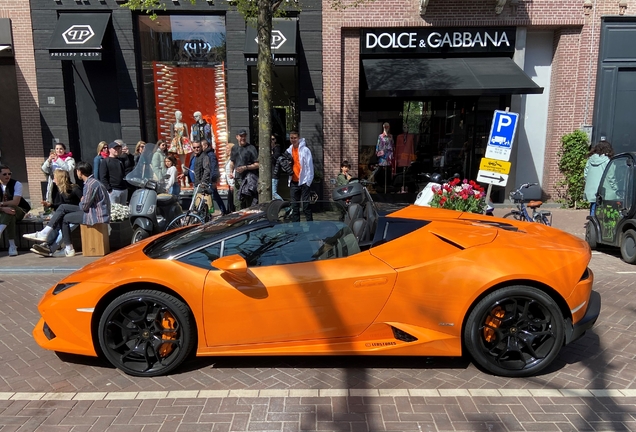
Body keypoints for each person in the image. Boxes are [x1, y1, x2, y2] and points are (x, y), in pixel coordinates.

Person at [32, 161, 110, 257]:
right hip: (93, 212)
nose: (76, 173)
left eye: (77, 171)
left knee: (64, 216)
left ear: (80, 172)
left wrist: (80, 204)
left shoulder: (90, 185)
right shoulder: (93, 182)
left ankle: (66, 247)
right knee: (63, 210)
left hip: (94, 215)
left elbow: (84, 205)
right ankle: (57, 242)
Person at [24, 169, 83, 247]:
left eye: (55, 178)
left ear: (60, 178)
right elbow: (62, 205)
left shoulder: (75, 188)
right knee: (57, 223)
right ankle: (47, 244)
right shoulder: (62, 190)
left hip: (78, 212)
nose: (53, 180)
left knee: (62, 221)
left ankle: (47, 240)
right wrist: (50, 205)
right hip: (68, 213)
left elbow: (84, 202)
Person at [0, 164, 31, 256]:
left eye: (9, 174)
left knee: (12, 209)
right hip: (4, 212)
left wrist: (1, 204)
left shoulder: (17, 184)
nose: (8, 176)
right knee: (10, 215)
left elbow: (15, 202)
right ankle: (12, 246)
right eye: (5, 174)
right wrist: (2, 208)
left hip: (20, 210)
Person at [287, 131, 314, 222]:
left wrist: (308, 182)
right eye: (291, 138)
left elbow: (310, 166)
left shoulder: (305, 150)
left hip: (303, 182)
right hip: (293, 182)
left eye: (295, 138)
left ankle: (310, 227)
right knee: (295, 207)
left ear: (299, 138)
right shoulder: (289, 150)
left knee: (306, 206)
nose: (293, 140)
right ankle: (296, 228)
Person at [178, 141, 211, 214]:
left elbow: (207, 170)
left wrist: (203, 182)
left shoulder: (204, 156)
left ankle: (201, 219)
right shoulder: (192, 156)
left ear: (201, 147)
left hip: (200, 184)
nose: (196, 149)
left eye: (198, 147)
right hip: (195, 183)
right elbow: (192, 169)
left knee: (198, 203)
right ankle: (201, 218)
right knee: (196, 203)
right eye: (194, 147)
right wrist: (184, 174)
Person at [229, 129, 259, 210]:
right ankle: (240, 221)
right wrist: (231, 172)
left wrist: (245, 167)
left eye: (244, 136)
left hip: (249, 181)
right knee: (237, 204)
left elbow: (258, 164)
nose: (243, 138)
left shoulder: (251, 148)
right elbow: (232, 162)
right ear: (237, 137)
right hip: (238, 180)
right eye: (241, 136)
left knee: (250, 205)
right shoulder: (234, 148)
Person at [584, 140, 614, 215]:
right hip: (604, 190)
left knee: (593, 206)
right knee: (605, 209)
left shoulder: (590, 160)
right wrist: (615, 188)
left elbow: (585, 174)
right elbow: (611, 177)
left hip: (591, 189)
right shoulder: (608, 161)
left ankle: (592, 222)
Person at [201, 139, 228, 215]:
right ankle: (220, 210)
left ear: (205, 146)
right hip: (210, 179)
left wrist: (213, 179)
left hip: (211, 179)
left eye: (202, 146)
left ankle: (223, 210)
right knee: (213, 195)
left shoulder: (210, 155)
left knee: (214, 195)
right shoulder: (207, 154)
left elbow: (214, 167)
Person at [169, 110, 192, 187]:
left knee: (183, 163)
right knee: (174, 162)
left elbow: (187, 135)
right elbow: (172, 135)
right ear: (176, 116)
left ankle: (184, 180)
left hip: (182, 142)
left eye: (181, 115)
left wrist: (188, 143)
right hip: (176, 143)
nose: (181, 116)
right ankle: (177, 180)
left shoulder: (184, 124)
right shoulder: (173, 125)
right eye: (179, 115)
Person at [224, 143, 236, 213]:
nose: (226, 150)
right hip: (229, 184)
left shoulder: (233, 159)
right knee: (230, 202)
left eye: (228, 148)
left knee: (232, 202)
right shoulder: (228, 159)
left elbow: (233, 171)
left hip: (232, 184)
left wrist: (232, 184)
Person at [271, 134, 283, 200]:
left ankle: (286, 206)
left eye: (273, 139)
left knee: (274, 193)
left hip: (274, 174)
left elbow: (275, 157)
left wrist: (272, 153)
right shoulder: (270, 149)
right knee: (272, 194)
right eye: (270, 140)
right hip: (270, 174)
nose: (271, 141)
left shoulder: (277, 148)